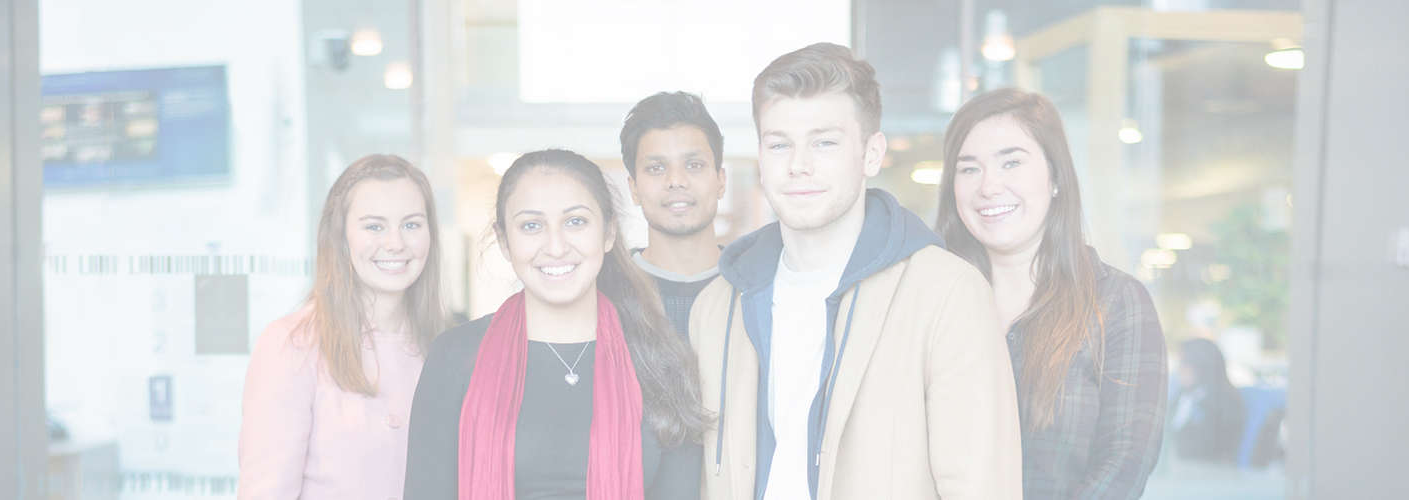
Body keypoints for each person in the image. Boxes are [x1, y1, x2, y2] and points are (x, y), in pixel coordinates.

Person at [688, 43, 1022, 500]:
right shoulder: (717, 306)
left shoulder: (948, 294)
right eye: (779, 144)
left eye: (824, 142)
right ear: (761, 158)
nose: (799, 166)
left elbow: (982, 488)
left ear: (871, 154)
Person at [404, 149, 705, 499]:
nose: (556, 246)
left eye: (575, 221)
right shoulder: (454, 357)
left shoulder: (662, 360)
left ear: (608, 233)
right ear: (504, 241)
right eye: (531, 226)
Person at [934, 88, 1169, 499]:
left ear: (1056, 176)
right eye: (969, 169)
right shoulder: (931, 302)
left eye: (1011, 163)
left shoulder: (1116, 303)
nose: (989, 186)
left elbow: (1125, 464)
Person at [239, 154, 449, 499]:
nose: (396, 243)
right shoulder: (292, 345)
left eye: (411, 224)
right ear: (340, 236)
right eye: (374, 226)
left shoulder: (446, 349)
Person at [619, 91, 728, 337]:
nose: (676, 181)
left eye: (694, 165)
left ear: (721, 181)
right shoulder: (607, 293)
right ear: (634, 189)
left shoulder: (756, 287)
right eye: (656, 168)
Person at [1168, 338, 1245, 464]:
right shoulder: (1182, 396)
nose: (1179, 369)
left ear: (1201, 365)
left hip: (1208, 476)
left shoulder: (1226, 403)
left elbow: (1208, 450)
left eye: (1183, 363)